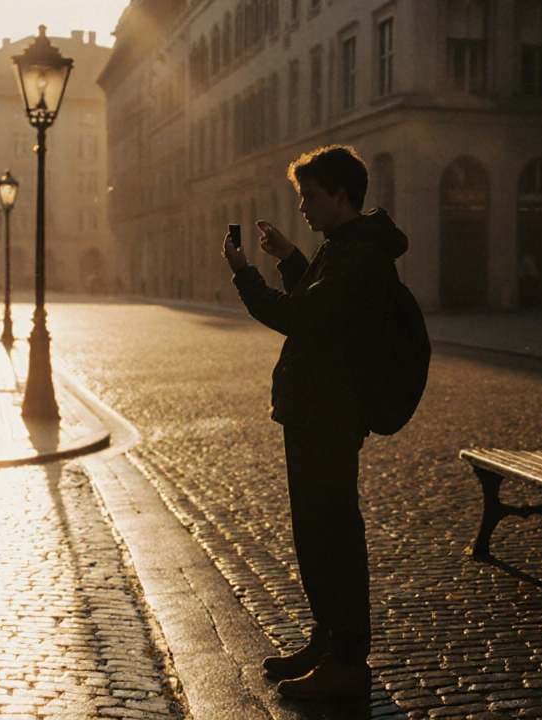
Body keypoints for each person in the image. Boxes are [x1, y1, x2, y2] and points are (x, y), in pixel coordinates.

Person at [222, 145, 407, 701]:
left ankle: (348, 659)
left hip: (331, 413)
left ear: (342, 196)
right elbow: (319, 302)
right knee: (314, 535)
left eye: (311, 196)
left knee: (334, 538)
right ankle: (326, 639)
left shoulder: (361, 255)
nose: (302, 206)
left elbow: (299, 315)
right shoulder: (343, 247)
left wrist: (245, 275)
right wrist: (286, 257)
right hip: (314, 411)